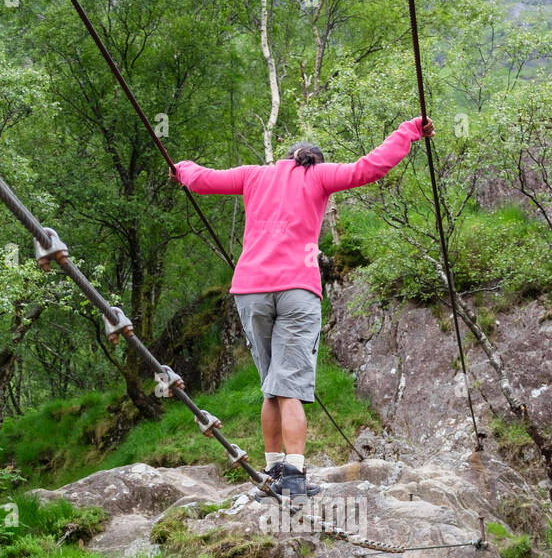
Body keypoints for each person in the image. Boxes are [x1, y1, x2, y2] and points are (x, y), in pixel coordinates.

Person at [172, 115, 435, 498]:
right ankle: (293, 477)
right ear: (314, 161)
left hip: (250, 289)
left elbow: (201, 179)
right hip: (297, 288)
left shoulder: (254, 175)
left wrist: (179, 168)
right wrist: (410, 129)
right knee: (289, 385)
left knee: (272, 387)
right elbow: (371, 166)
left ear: (287, 158)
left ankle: (272, 471)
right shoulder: (319, 177)